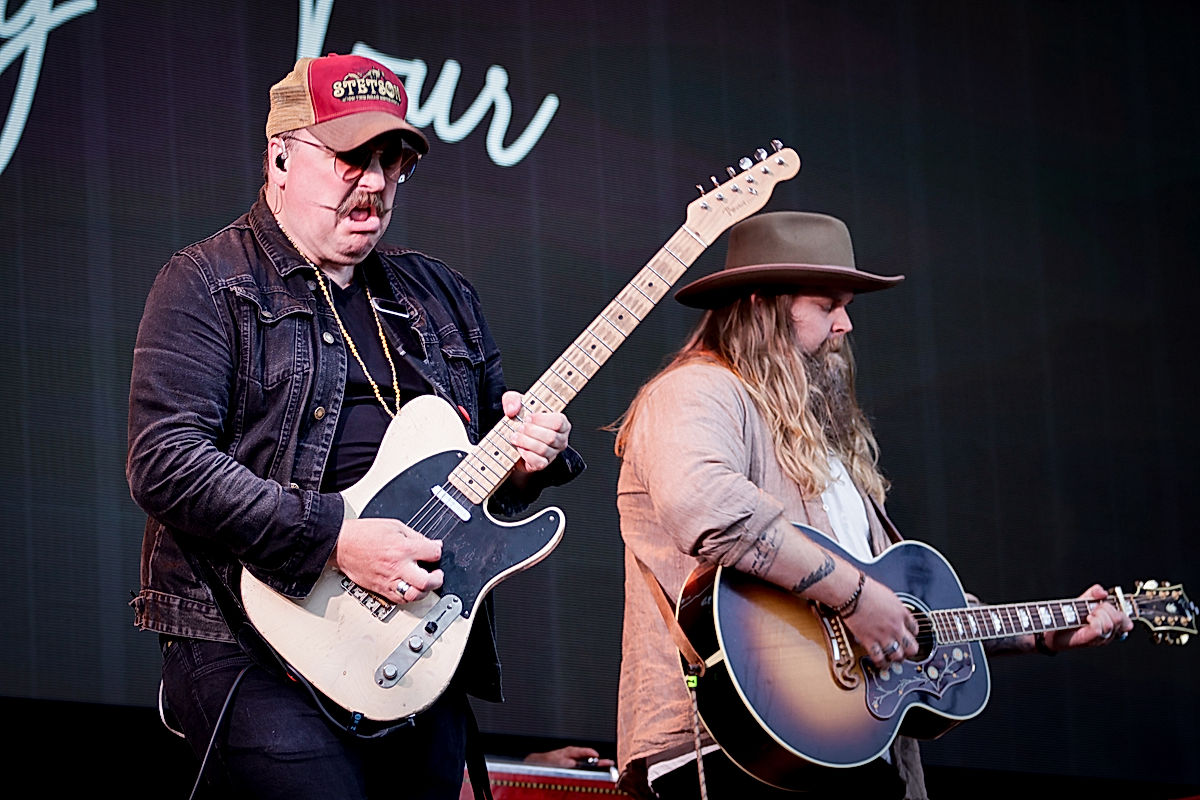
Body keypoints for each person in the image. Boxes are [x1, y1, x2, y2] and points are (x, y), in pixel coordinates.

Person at [127, 53, 583, 800]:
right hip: (248, 643)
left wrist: (529, 458)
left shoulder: (441, 294)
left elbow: (485, 475)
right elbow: (165, 463)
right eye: (348, 158)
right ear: (280, 155)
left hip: (409, 646)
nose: (374, 182)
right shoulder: (206, 282)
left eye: (392, 160)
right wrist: (334, 536)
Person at [610, 211, 1132, 799]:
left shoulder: (820, 439)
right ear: (761, 304)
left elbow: (903, 609)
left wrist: (1044, 631)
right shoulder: (695, 390)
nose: (845, 324)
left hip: (847, 750)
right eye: (828, 304)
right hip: (730, 744)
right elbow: (706, 508)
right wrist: (855, 596)